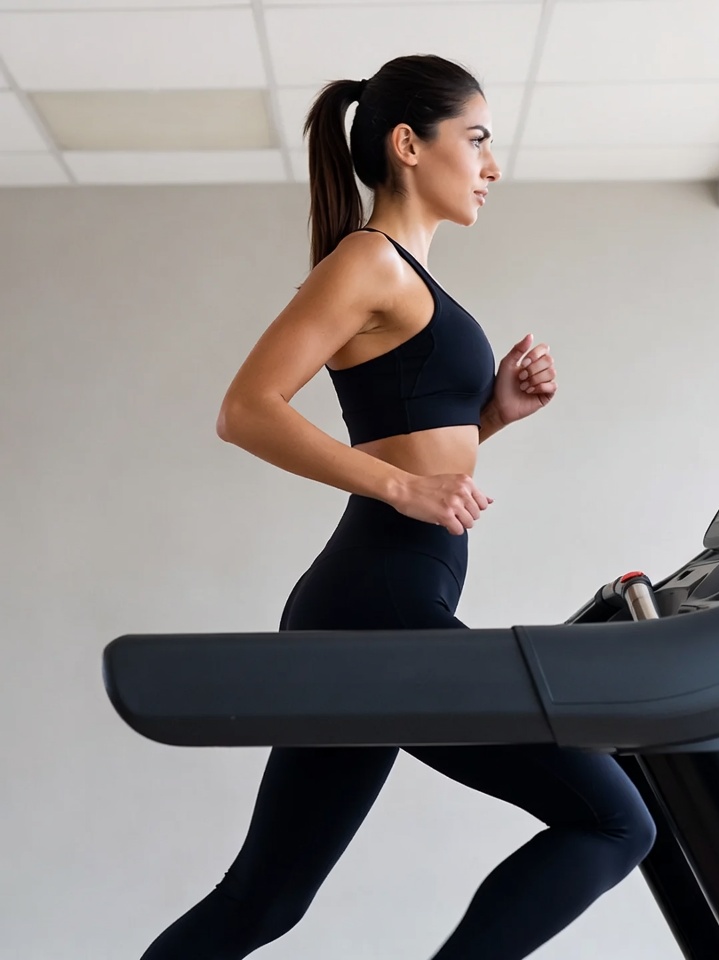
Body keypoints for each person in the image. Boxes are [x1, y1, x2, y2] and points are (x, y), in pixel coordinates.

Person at [140, 54, 655, 960]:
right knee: (617, 824)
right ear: (409, 145)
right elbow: (245, 409)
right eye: (478, 139)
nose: (493, 166)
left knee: (263, 901)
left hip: (370, 604)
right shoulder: (367, 260)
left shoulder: (411, 278)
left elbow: (408, 442)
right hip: (378, 604)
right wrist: (402, 486)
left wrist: (491, 416)